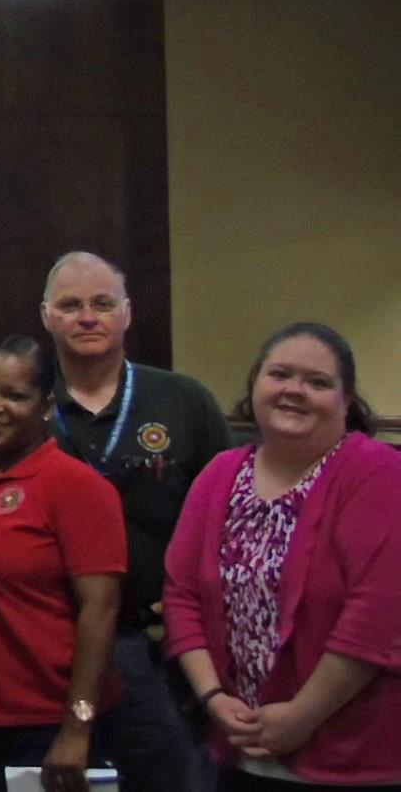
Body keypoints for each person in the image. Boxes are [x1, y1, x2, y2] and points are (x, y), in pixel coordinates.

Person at [164, 323, 401, 789]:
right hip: (240, 751)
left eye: (317, 382)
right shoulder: (220, 474)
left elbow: (376, 615)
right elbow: (181, 594)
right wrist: (213, 697)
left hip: (352, 758)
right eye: (280, 374)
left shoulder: (379, 475)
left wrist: (300, 717)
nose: (295, 390)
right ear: (255, 383)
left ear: (346, 399)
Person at [39, 251, 234, 792]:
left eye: (103, 304)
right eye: (71, 305)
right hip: (52, 650)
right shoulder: (23, 407)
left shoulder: (184, 400)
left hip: (159, 649)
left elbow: (230, 519)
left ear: (126, 313)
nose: (87, 317)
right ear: (46, 316)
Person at [0, 336, 123, 792]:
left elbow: (100, 610)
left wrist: (77, 726)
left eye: (13, 395)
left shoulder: (78, 488)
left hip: (45, 728)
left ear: (45, 406)